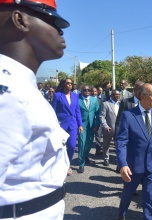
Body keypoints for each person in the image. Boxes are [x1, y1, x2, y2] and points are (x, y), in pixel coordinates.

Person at [0, 0, 70, 218]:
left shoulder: (21, 85)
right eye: (51, 20)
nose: (60, 31)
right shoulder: (10, 92)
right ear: (20, 20)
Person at [116, 83, 152, 220]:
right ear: (143, 96)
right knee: (128, 192)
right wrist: (123, 164)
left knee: (149, 195)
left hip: (151, 164)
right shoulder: (128, 115)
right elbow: (122, 142)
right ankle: (122, 213)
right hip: (133, 165)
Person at [52, 78, 83, 175]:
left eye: (71, 83)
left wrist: (80, 124)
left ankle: (67, 163)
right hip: (61, 124)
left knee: (72, 146)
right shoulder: (57, 95)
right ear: (64, 84)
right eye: (68, 83)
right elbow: (53, 111)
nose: (70, 85)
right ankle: (58, 164)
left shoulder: (75, 95)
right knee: (60, 146)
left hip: (73, 124)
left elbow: (77, 110)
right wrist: (53, 124)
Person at [77, 85, 100, 173]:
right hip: (82, 125)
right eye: (85, 90)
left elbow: (97, 112)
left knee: (90, 143)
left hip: (92, 124)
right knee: (82, 143)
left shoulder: (94, 100)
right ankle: (81, 164)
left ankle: (86, 156)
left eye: (88, 90)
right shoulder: (78, 100)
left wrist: (97, 123)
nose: (87, 91)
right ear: (81, 91)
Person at [100, 89, 120, 166]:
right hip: (108, 129)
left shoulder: (121, 104)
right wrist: (105, 126)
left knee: (118, 146)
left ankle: (119, 161)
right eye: (116, 94)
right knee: (106, 145)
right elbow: (102, 116)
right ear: (112, 95)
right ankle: (106, 159)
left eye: (119, 94)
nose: (118, 96)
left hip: (118, 130)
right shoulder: (105, 104)